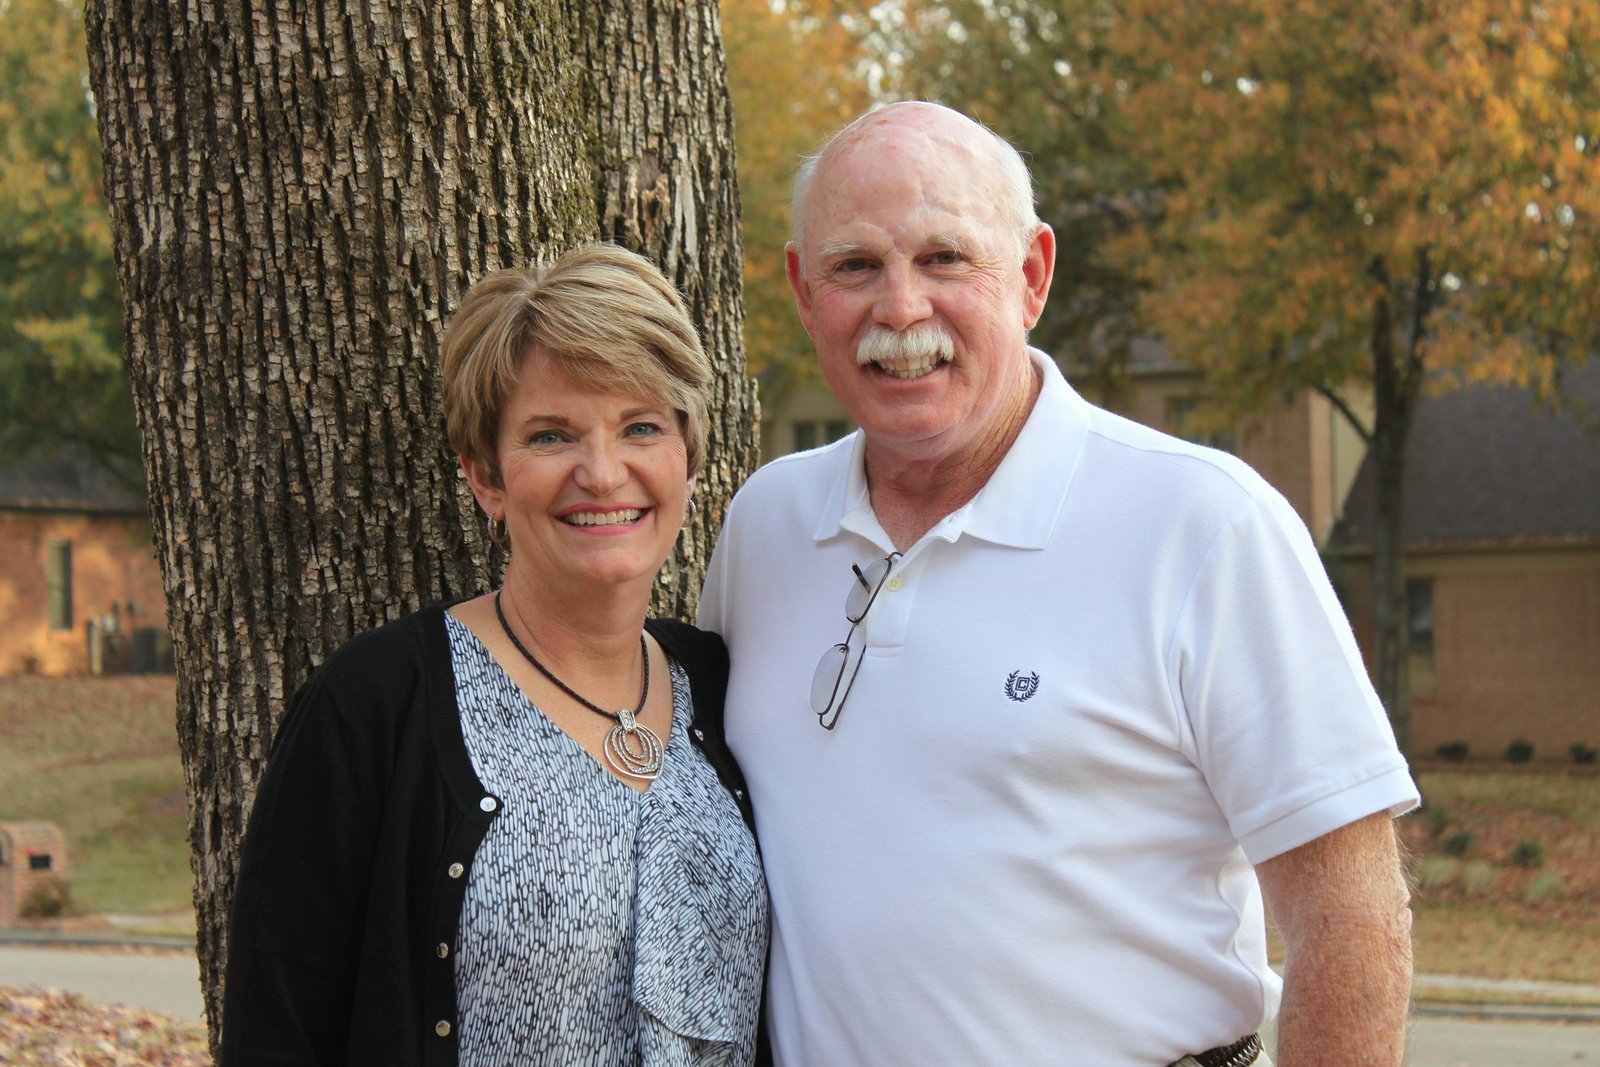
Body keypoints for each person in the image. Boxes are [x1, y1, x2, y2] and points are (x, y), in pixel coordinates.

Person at [698, 102, 1417, 1067]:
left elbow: (1351, 916)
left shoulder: (1205, 526)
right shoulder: (765, 526)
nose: (900, 308)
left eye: (945, 258)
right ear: (801, 289)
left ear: (1032, 275)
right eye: (855, 266)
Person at [222, 243, 769, 1066]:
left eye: (641, 427)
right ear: (486, 477)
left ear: (687, 459)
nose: (602, 472)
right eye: (551, 435)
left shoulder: (725, 687)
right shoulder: (373, 707)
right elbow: (278, 1034)